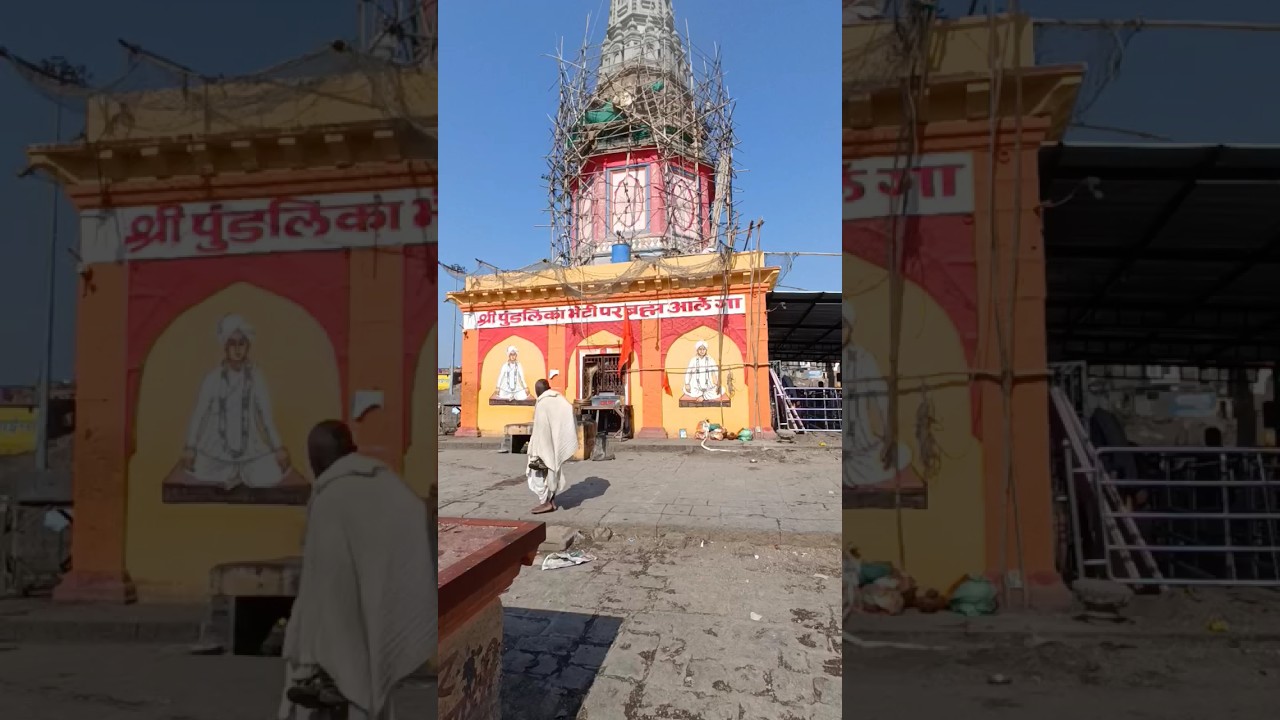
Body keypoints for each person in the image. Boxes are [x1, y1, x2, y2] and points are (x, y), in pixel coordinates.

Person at [279, 420, 436, 720]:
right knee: (369, 675)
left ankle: (325, 679)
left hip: (338, 616)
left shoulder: (331, 496)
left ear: (317, 459)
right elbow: (415, 513)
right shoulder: (384, 479)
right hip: (376, 600)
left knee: (344, 673)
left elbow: (322, 579)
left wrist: (306, 649)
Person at [183, 314, 291, 488]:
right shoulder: (213, 378)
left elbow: (265, 417)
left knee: (272, 473)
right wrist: (190, 446)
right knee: (201, 470)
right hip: (216, 452)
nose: (237, 349)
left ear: (248, 346)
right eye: (232, 343)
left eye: (242, 343)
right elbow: (199, 414)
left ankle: (239, 473)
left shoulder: (256, 377)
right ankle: (232, 473)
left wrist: (278, 447)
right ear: (225, 347)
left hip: (250, 452)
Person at [526, 379, 579, 514]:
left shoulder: (543, 402)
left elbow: (540, 429)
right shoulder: (558, 398)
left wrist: (536, 449)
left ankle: (546, 503)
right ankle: (552, 502)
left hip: (542, 446)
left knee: (539, 475)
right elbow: (568, 409)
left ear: (538, 391)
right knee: (553, 471)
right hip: (554, 443)